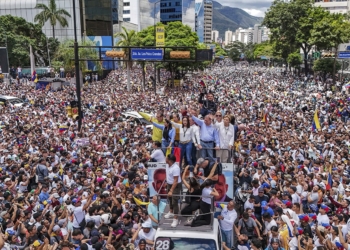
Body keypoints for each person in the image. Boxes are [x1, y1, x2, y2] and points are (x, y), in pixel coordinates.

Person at [164, 154, 182, 228]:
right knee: (169, 199)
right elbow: (168, 175)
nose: (165, 159)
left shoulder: (176, 168)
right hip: (169, 184)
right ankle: (171, 211)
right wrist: (167, 182)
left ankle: (175, 218)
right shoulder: (167, 165)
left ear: (170, 161)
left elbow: (176, 180)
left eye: (167, 158)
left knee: (174, 201)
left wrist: (171, 190)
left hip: (175, 185)